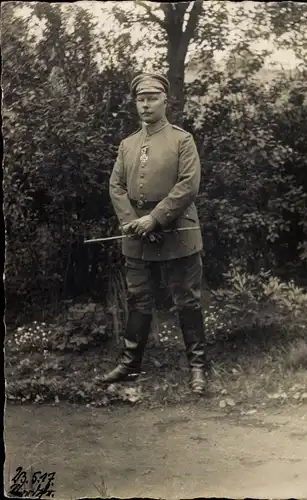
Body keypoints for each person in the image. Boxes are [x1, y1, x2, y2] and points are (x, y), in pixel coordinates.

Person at [104, 72, 207, 394]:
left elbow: (188, 185)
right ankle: (130, 365)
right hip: (136, 232)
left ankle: (198, 368)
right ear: (135, 102)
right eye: (141, 99)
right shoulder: (128, 144)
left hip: (178, 230)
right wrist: (131, 220)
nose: (146, 104)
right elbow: (116, 185)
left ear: (165, 101)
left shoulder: (181, 140)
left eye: (152, 98)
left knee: (187, 301)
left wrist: (156, 218)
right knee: (138, 299)